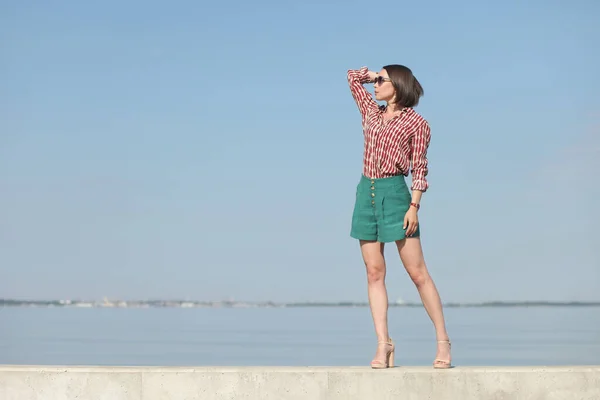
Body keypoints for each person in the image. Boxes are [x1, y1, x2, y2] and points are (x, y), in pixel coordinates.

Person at [346, 65, 451, 369]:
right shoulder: (371, 113)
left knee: (417, 273)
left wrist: (414, 206)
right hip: (367, 192)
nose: (375, 85)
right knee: (374, 272)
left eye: (381, 80)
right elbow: (351, 79)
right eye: (375, 80)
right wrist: (368, 76)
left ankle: (443, 340)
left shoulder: (417, 124)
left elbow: (420, 167)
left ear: (398, 85)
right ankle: (384, 344)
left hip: (396, 193)